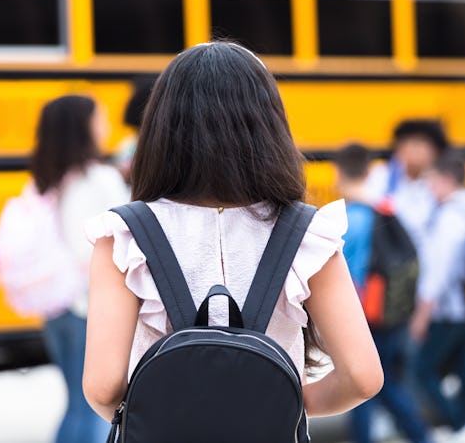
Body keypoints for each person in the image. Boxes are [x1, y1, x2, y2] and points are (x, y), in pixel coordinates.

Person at [82, 42, 383, 427]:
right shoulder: (308, 236)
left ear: (160, 128)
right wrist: (284, 401)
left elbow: (103, 388)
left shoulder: (124, 237)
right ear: (269, 126)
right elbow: (364, 377)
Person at [30, 95, 129, 443]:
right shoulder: (99, 178)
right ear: (82, 127)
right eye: (99, 118)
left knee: (75, 403)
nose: (105, 126)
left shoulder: (52, 180)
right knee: (94, 410)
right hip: (90, 306)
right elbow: (127, 239)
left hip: (58, 305)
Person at [335, 143, 432, 443]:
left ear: (338, 172)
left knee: (365, 386)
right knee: (383, 381)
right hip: (391, 310)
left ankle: (420, 436)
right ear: (368, 170)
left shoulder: (348, 218)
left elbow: (348, 277)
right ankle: (421, 435)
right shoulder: (385, 209)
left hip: (364, 314)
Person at [411, 152, 465, 443]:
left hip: (450, 308)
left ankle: (458, 423)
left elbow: (438, 271)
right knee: (463, 369)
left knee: (422, 368)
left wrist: (422, 314)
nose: (429, 187)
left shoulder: (452, 217)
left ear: (447, 179)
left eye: (432, 180)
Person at [365, 120, 449, 253]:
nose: (416, 150)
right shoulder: (380, 177)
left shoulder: (442, 184)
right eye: (411, 143)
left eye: (423, 144)